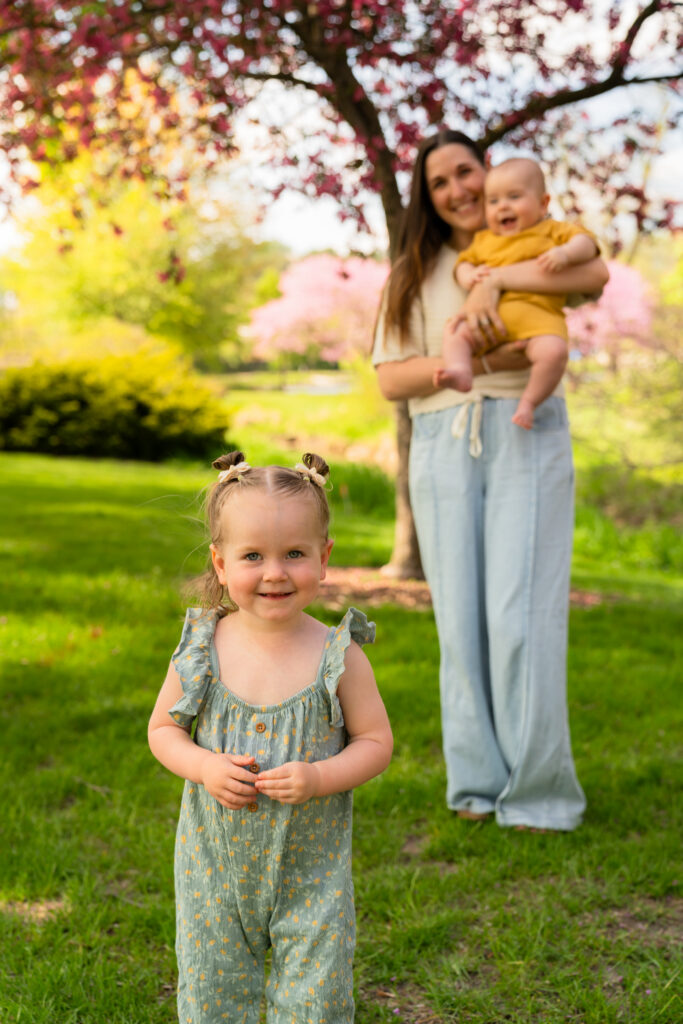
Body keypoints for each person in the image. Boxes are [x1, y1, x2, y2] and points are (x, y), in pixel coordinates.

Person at [373, 129, 608, 831]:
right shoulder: (411, 270)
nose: (457, 190)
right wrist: (456, 364)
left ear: (491, 172)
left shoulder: (539, 241)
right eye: (439, 181)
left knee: (521, 616)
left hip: (524, 431)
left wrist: (500, 281)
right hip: (444, 438)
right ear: (428, 197)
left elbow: (590, 280)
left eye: (465, 171)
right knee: (462, 623)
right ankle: (475, 784)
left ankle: (538, 794)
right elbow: (390, 378)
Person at [148, 450, 393, 1023]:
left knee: (316, 999)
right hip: (212, 868)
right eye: (253, 555)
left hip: (313, 875)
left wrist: (319, 776)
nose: (275, 572)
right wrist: (204, 767)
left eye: (295, 554)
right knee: (212, 993)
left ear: (324, 557)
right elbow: (162, 730)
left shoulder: (341, 656)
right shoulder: (202, 648)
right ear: (221, 561)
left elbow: (376, 743)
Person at [435, 157, 598, 428]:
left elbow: (587, 243)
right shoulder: (485, 240)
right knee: (455, 332)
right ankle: (461, 372)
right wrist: (468, 276)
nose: (503, 207)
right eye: (494, 201)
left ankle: (529, 402)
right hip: (489, 322)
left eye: (514, 196)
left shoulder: (552, 231)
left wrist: (566, 253)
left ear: (543, 203)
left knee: (554, 352)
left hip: (540, 323)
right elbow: (462, 263)